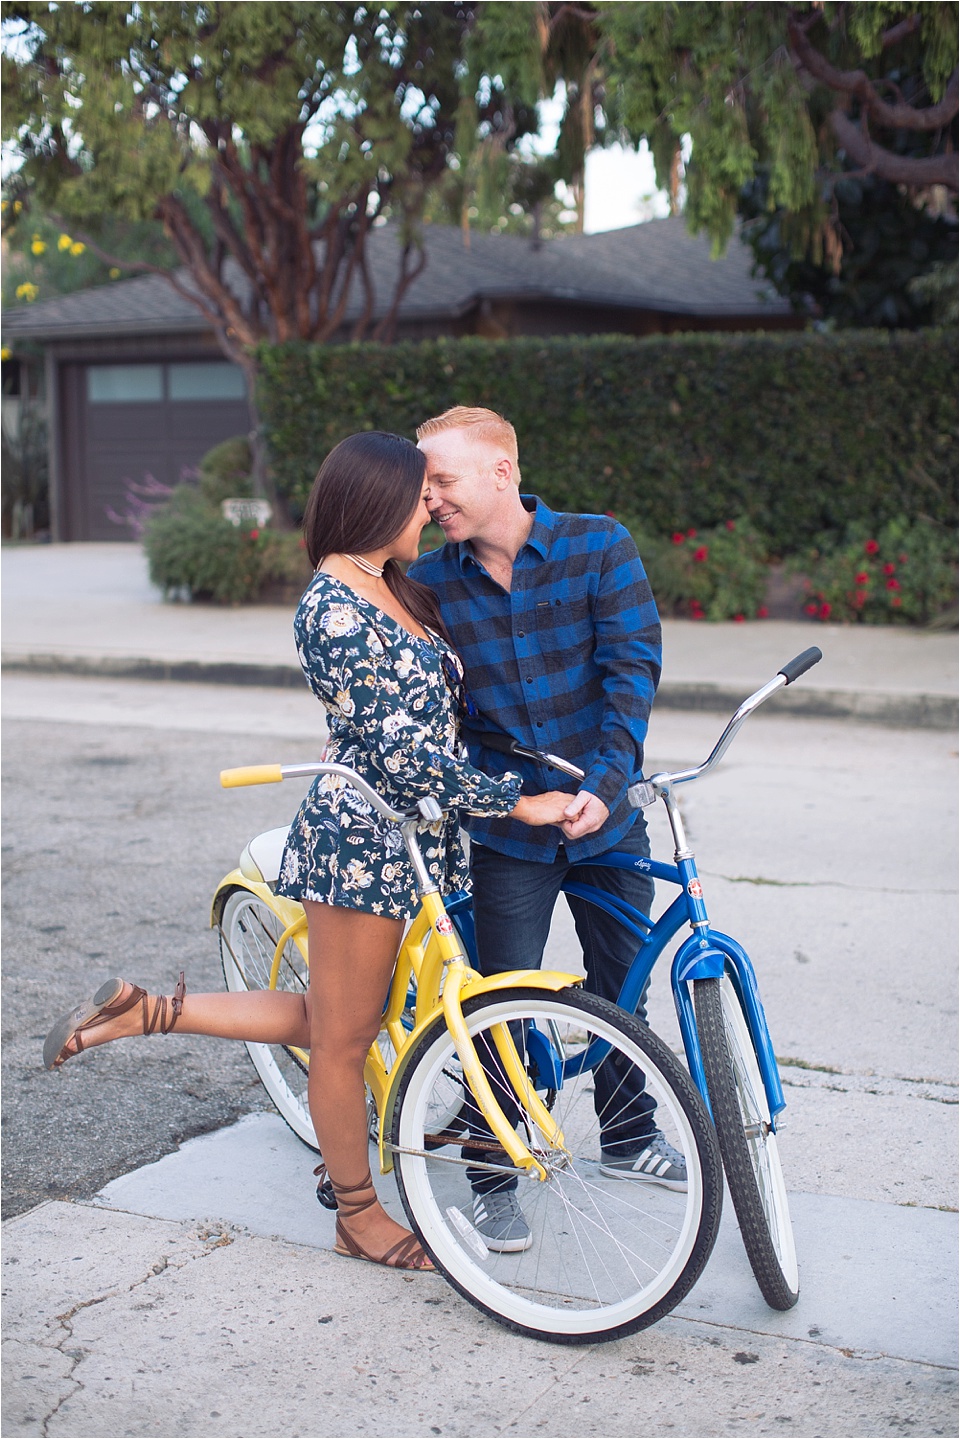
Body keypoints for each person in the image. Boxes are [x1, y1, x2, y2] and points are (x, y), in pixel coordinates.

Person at [43, 430, 572, 1273]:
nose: (430, 507)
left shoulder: (391, 584)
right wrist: (520, 801)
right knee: (341, 1038)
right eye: (417, 494)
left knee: (343, 1019)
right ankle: (357, 1216)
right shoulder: (331, 605)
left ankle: (149, 1010)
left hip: (415, 838)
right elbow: (401, 752)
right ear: (376, 504)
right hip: (363, 841)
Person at [410, 406, 684, 1255]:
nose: (431, 499)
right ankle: (494, 1174)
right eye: (425, 486)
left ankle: (630, 1135)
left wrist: (605, 788)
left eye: (442, 480)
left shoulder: (601, 546)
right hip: (507, 829)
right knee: (498, 1000)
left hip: (607, 822)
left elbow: (630, 672)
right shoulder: (431, 581)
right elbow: (429, 703)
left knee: (619, 987)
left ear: (500, 471)